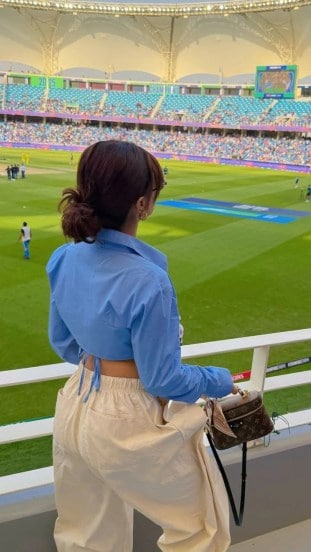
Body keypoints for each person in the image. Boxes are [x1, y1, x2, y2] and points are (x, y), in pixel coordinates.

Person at [46, 140, 237, 552]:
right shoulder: (148, 280)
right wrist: (219, 380)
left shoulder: (63, 258)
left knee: (87, 534)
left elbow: (63, 343)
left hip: (74, 403)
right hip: (123, 419)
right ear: (142, 205)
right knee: (201, 528)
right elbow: (162, 378)